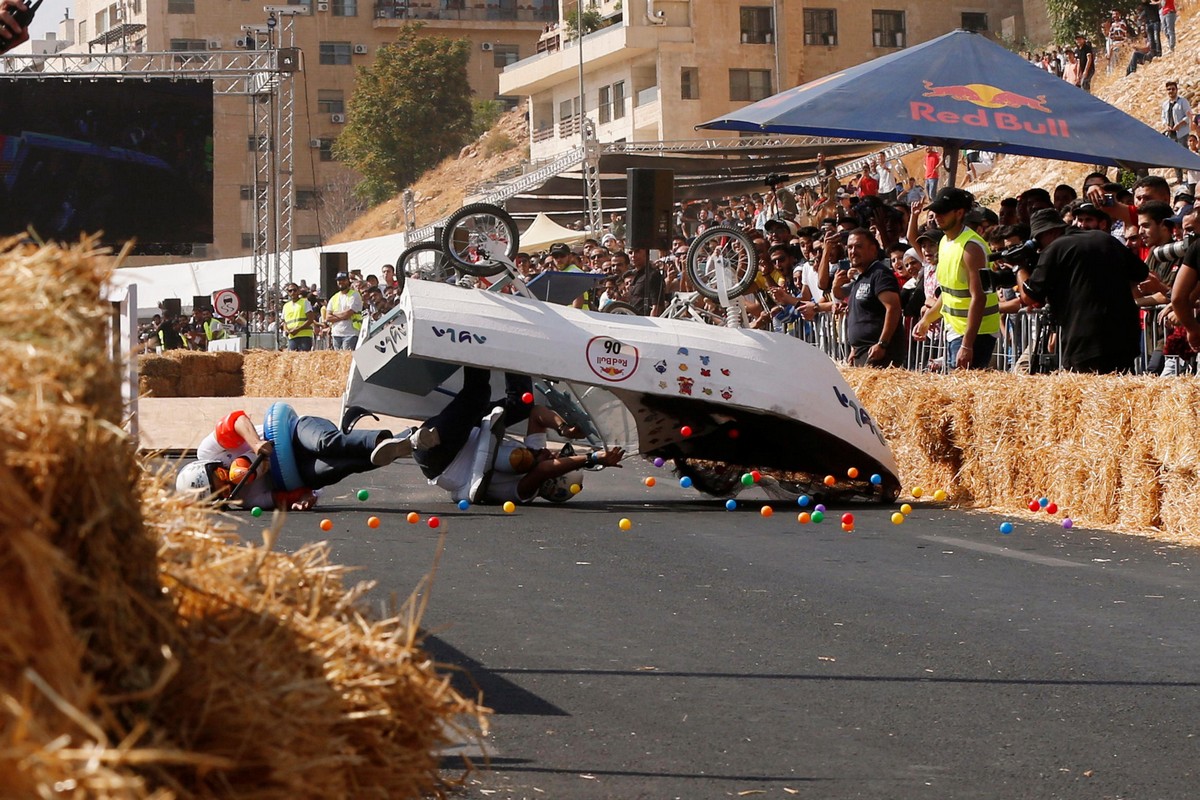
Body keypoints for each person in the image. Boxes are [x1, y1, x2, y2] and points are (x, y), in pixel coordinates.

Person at [406, 367, 625, 505]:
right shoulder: (539, 454)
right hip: (456, 432)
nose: (553, 452)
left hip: (442, 457)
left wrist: (593, 458)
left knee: (478, 396)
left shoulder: (524, 491)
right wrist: (564, 429)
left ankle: (413, 441)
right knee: (522, 404)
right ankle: (507, 352)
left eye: (557, 457)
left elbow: (544, 469)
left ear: (550, 482)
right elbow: (537, 414)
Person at [176, 406, 413, 511]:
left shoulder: (208, 451)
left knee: (325, 443)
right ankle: (405, 444)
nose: (229, 485)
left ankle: (380, 441)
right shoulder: (246, 501)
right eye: (223, 493)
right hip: (299, 470)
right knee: (333, 469)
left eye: (219, 478)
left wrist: (256, 444)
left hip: (293, 433)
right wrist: (301, 499)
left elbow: (236, 419)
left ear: (210, 466)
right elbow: (281, 498)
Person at [1018, 208, 1148, 373]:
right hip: (1124, 337)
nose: (1038, 247)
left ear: (1049, 233)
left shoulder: (1055, 248)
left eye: (1038, 240)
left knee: (1087, 396)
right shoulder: (1104, 238)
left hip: (1083, 341)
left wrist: (1019, 267)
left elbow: (1028, 297)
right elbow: (1141, 272)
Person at [915, 188, 1000, 370]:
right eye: (935, 211)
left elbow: (979, 297)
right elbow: (948, 293)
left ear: (959, 213)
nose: (937, 216)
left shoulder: (971, 247)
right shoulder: (946, 242)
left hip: (976, 333)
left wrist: (967, 344)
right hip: (957, 331)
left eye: (943, 212)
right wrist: (927, 319)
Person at [832, 229, 905, 368]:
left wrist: (882, 344)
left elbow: (893, 308)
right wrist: (855, 348)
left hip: (880, 354)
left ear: (873, 249)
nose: (853, 251)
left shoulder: (880, 275)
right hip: (863, 353)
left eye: (858, 246)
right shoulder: (862, 277)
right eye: (850, 247)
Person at [1162, 80, 1191, 185]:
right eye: (1169, 89)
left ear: (1176, 90)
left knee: (1184, 155)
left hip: (1181, 133)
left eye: (1173, 89)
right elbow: (1163, 117)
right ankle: (1179, 178)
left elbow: (1188, 115)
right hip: (1171, 134)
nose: (1171, 91)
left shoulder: (1183, 102)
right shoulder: (1165, 104)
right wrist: (1166, 125)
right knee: (1174, 156)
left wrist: (1180, 124)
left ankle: (1189, 177)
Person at [326, 271, 363, 350]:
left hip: (351, 333)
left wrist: (335, 314)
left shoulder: (354, 295)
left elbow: (348, 314)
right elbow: (328, 317)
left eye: (343, 280)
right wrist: (343, 315)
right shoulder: (334, 298)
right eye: (339, 280)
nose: (341, 282)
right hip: (336, 333)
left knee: (347, 358)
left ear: (348, 281)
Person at [281, 282, 317, 351]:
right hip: (292, 337)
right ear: (288, 293)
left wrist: (298, 329)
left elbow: (310, 319)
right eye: (290, 291)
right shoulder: (286, 306)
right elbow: (284, 322)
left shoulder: (305, 302)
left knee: (304, 358)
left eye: (294, 290)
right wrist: (287, 330)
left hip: (304, 336)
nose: (292, 292)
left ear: (298, 291)